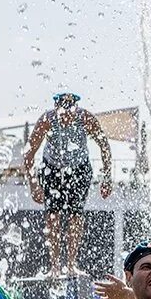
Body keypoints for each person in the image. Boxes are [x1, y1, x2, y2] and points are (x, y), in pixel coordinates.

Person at [23, 92, 113, 276]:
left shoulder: (85, 118)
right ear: (56, 107)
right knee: (52, 216)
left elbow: (104, 145)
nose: (66, 113)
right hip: (52, 168)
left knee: (75, 216)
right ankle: (55, 266)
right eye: (62, 107)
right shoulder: (47, 120)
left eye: (69, 107)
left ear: (76, 107)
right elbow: (29, 153)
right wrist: (33, 184)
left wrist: (107, 177)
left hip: (79, 169)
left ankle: (71, 265)